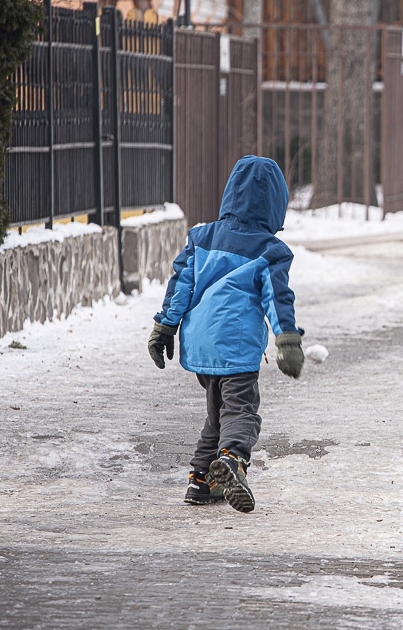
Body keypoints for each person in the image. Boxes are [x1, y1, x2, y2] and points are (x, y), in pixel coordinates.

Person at [147, 155, 304, 514]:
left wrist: (164, 328)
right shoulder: (269, 250)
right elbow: (276, 299)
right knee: (242, 409)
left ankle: (202, 480)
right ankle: (233, 459)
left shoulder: (202, 236)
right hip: (236, 346)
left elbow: (180, 285)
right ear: (277, 204)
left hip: (200, 344)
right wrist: (288, 340)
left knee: (217, 414)